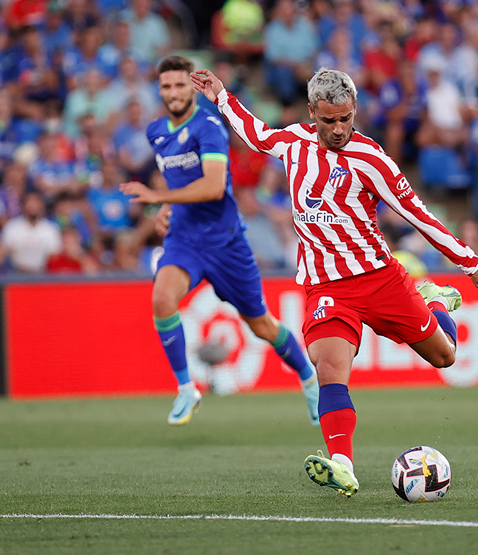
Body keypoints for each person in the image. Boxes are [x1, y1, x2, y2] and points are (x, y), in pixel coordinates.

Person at [190, 67, 478, 497]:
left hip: (381, 280)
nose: (339, 128)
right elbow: (256, 135)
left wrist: (470, 263)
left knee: (445, 356)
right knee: (330, 370)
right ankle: (342, 463)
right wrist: (221, 96)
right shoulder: (293, 143)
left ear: (354, 111)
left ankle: (434, 301)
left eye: (346, 118)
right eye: (329, 121)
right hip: (326, 288)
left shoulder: (373, 159)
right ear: (312, 114)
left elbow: (418, 214)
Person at [120, 56, 319, 427]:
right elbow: (178, 183)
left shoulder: (209, 125)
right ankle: (185, 388)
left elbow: (213, 187)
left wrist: (161, 199)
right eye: (166, 87)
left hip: (226, 244)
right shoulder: (155, 132)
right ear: (159, 90)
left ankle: (309, 378)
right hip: (184, 241)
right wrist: (165, 210)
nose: (173, 93)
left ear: (192, 88)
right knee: (162, 299)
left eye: (180, 85)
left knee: (262, 326)